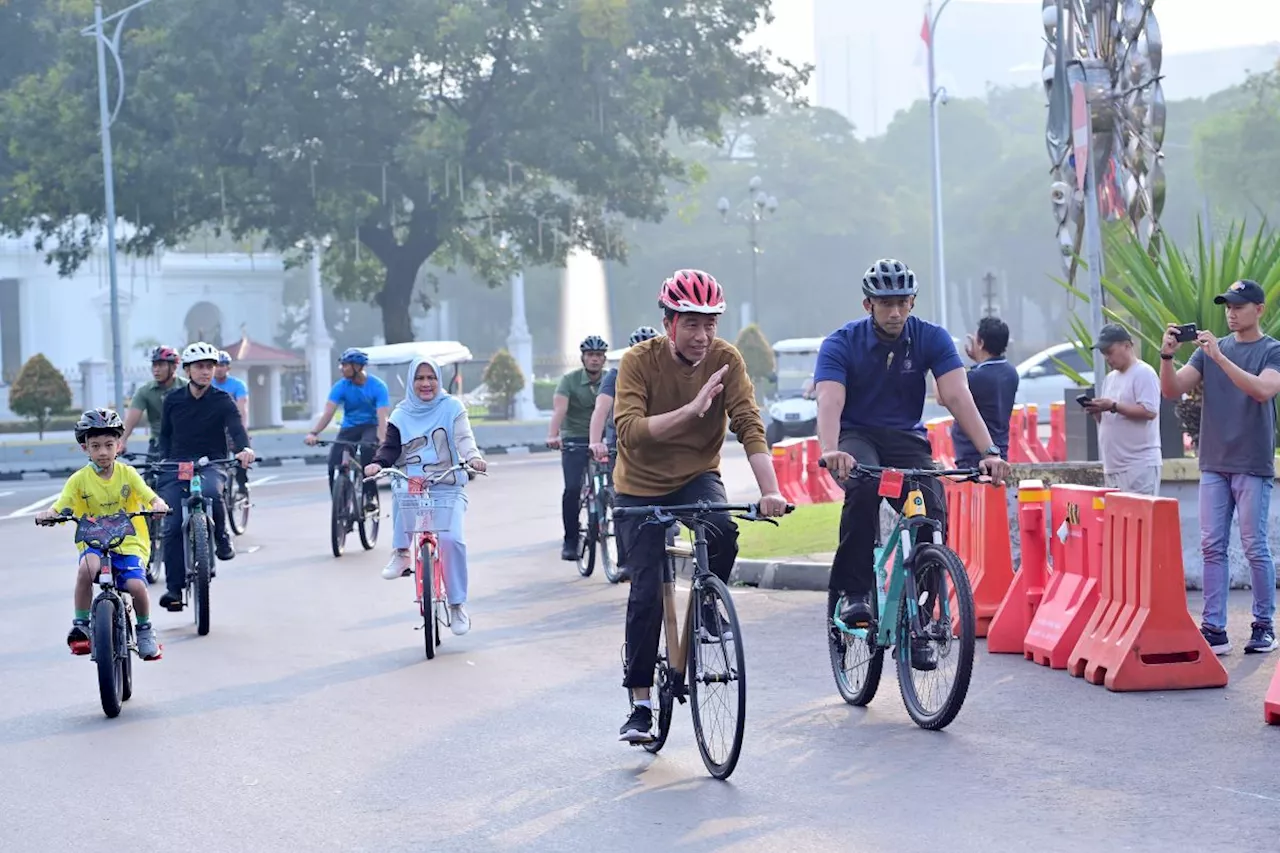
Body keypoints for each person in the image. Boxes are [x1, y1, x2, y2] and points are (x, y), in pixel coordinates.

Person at [612, 269, 788, 743]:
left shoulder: (725, 360)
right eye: (691, 323)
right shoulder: (637, 362)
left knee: (724, 530)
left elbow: (749, 423)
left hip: (696, 478)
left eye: (710, 323)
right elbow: (628, 431)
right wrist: (691, 412)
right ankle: (641, 704)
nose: (702, 334)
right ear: (668, 322)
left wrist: (769, 490)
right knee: (647, 590)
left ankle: (708, 604)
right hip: (640, 486)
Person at [815, 259, 1011, 670]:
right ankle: (854, 592)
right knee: (865, 486)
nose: (895, 312)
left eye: (903, 303)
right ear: (868, 304)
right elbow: (830, 400)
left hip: (906, 441)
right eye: (886, 304)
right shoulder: (841, 343)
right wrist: (831, 448)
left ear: (912, 302)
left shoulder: (931, 338)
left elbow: (958, 396)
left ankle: (921, 620)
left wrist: (990, 451)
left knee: (932, 513)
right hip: (856, 437)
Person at [1160, 279, 1280, 655]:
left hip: (1251, 463)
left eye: (1239, 306)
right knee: (1212, 546)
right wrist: (1166, 357)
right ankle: (1214, 628)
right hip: (1213, 461)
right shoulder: (1209, 352)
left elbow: (1263, 390)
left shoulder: (1271, 350)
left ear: (1258, 309)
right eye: (1227, 306)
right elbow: (1172, 390)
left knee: (1254, 546)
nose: (1231, 312)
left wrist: (1220, 359)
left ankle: (1263, 625)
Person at [365, 356, 487, 635]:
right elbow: (390, 448)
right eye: (419, 378)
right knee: (401, 488)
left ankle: (457, 605)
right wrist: (378, 463)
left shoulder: (452, 407)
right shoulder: (400, 414)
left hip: (448, 483)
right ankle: (401, 553)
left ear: (438, 380)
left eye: (430, 377)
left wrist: (473, 457)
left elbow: (464, 439)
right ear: (411, 382)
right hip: (416, 481)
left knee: (451, 539)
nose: (426, 383)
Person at [38, 409, 170, 660]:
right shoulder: (78, 480)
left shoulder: (128, 474)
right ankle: (81, 624)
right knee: (87, 569)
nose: (102, 452)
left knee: (137, 587)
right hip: (94, 540)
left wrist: (157, 505)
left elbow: (147, 495)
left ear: (118, 446)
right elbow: (62, 504)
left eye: (109, 445)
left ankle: (144, 630)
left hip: (128, 541)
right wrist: (50, 514)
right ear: (84, 448)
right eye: (95, 446)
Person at [155, 342, 256, 611]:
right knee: (173, 524)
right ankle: (174, 589)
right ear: (187, 370)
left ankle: (222, 538)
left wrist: (244, 449)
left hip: (212, 461)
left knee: (212, 491)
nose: (206, 372)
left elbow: (237, 430)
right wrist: (163, 460)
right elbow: (164, 436)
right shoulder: (173, 401)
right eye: (200, 367)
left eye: (210, 366)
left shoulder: (223, 400)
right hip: (178, 464)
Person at [547, 335, 609, 561]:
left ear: (604, 359)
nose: (595, 360)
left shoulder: (611, 379)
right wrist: (553, 435)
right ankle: (570, 540)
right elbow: (559, 410)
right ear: (583, 358)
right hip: (575, 438)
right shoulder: (570, 380)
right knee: (572, 489)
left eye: (599, 356)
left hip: (603, 440)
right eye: (591, 355)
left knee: (619, 489)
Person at [304, 348, 390, 510]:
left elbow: (382, 417)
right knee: (333, 463)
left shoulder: (378, 386)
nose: (342, 369)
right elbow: (328, 412)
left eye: (345, 365)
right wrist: (314, 433)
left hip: (371, 426)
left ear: (358, 367)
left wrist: (383, 440)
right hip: (349, 427)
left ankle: (369, 495)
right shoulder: (341, 386)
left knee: (367, 453)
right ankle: (338, 502)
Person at [1085, 323, 1161, 495]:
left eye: (1109, 352)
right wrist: (1098, 412)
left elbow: (1149, 411)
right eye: (1104, 354)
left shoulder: (1144, 373)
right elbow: (1109, 419)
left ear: (1126, 346)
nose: (1107, 358)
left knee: (1140, 517)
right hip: (1113, 465)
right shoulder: (1110, 378)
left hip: (1138, 465)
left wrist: (1113, 406)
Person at [951, 316, 1019, 469]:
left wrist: (945, 360)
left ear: (981, 343)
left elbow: (943, 397)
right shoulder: (1010, 372)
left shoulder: (977, 377)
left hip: (975, 456)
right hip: (999, 451)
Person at [589, 325, 660, 462]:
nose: (645, 356)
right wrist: (595, 442)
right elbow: (601, 409)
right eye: (639, 351)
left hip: (657, 438)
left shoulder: (666, 374)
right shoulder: (615, 375)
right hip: (621, 440)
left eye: (650, 351)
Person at [120, 345, 186, 457]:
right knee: (150, 472)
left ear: (174, 367)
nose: (156, 369)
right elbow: (131, 419)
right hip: (157, 445)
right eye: (154, 365)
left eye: (161, 365)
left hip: (185, 444)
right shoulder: (145, 391)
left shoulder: (187, 387)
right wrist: (122, 441)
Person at [214, 350, 251, 490]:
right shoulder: (208, 384)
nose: (218, 369)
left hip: (232, 425)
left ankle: (242, 482)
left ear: (228, 367)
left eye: (222, 365)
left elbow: (242, 409)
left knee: (242, 451)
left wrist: (243, 430)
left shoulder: (238, 385)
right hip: (214, 427)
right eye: (216, 365)